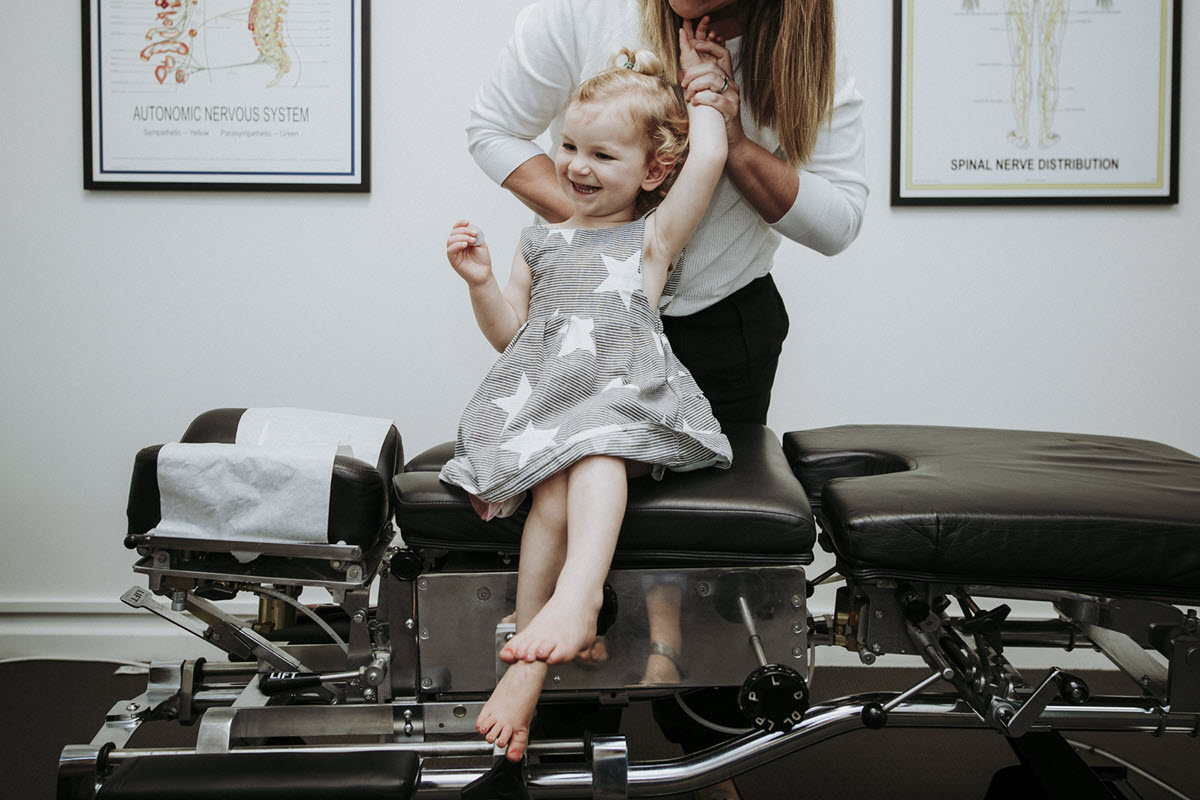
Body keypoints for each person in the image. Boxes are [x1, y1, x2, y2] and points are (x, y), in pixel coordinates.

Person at [439, 26, 734, 763]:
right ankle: (529, 657)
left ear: (655, 170)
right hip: (550, 408)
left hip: (624, 408)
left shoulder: (653, 239)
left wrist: (703, 90)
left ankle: (577, 601)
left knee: (599, 445)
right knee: (551, 496)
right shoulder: (540, 239)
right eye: (570, 146)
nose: (576, 166)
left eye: (604, 155)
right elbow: (511, 336)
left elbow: (714, 157)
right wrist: (478, 283)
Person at [468, 0, 868, 427]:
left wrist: (737, 144)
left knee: (691, 488)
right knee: (567, 466)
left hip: (722, 329)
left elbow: (837, 223)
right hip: (579, 315)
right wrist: (614, 238)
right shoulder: (579, 11)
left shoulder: (807, 53)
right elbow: (494, 129)